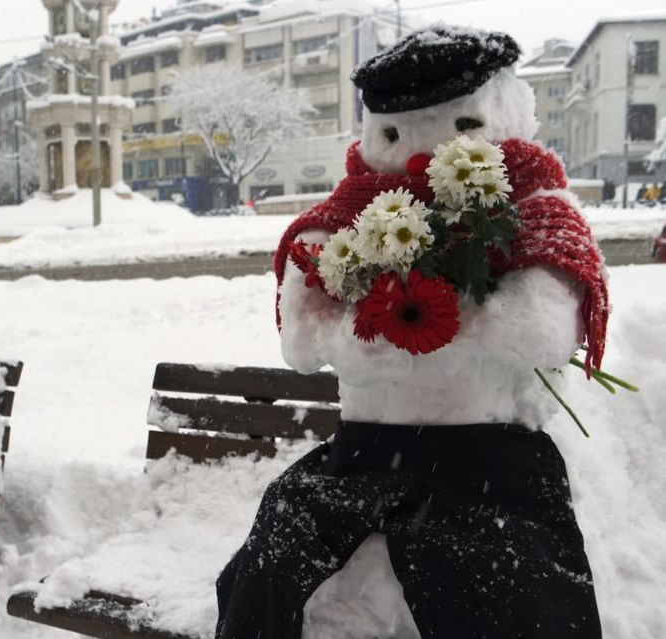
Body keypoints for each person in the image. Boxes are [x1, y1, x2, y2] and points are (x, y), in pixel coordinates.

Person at [216, 26, 606, 639]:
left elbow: (540, 329)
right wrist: (370, 330)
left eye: (463, 128)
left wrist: (422, 319)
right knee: (280, 549)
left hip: (488, 456)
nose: (422, 160)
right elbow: (301, 340)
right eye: (394, 135)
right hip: (365, 451)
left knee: (505, 578)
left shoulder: (531, 207)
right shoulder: (348, 215)